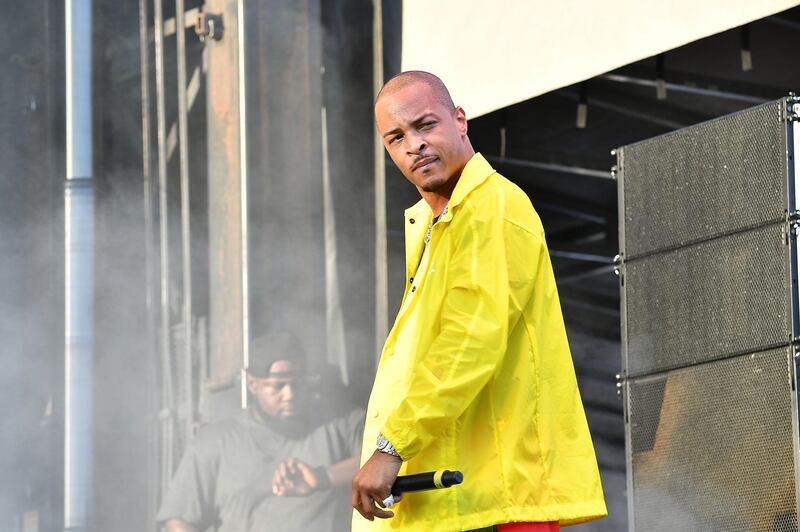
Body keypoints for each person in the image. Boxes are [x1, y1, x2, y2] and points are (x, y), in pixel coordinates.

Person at [351, 71, 607, 531]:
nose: (414, 145)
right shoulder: (439, 224)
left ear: (460, 120)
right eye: (396, 137)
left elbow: (470, 339)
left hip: (490, 500)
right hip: (458, 497)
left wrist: (392, 447)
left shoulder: (492, 206)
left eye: (425, 125)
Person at [157, 332, 363, 532]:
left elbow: (388, 458)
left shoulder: (338, 425)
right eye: (277, 386)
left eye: (297, 384)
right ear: (252, 384)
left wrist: (324, 476)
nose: (289, 394)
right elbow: (178, 521)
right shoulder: (216, 442)